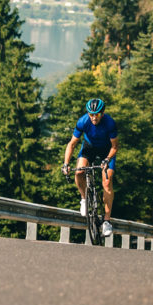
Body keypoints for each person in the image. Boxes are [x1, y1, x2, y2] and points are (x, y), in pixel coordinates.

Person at [61, 98, 118, 237]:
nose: (93, 117)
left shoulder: (110, 123)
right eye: (91, 114)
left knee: (107, 181)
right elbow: (72, 144)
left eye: (97, 114)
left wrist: (107, 159)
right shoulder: (82, 121)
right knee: (79, 172)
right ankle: (84, 199)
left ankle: (107, 221)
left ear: (102, 113)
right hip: (88, 148)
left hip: (107, 151)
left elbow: (115, 147)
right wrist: (66, 164)